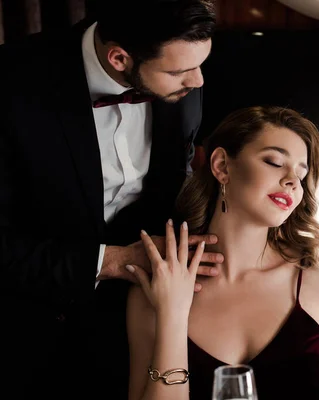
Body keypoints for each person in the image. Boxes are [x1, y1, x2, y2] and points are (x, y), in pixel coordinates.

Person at [0, 1, 222, 398]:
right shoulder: (11, 83)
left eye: (201, 63)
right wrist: (115, 260)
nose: (199, 81)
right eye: (179, 72)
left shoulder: (184, 76)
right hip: (28, 325)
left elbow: (178, 171)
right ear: (119, 58)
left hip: (141, 318)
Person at [125, 106, 319, 400]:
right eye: (275, 162)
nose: (292, 180)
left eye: (301, 175)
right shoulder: (158, 286)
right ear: (222, 166)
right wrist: (173, 314)